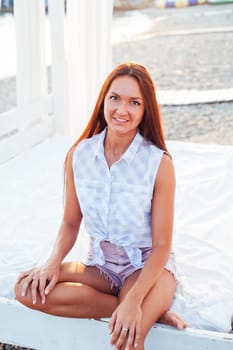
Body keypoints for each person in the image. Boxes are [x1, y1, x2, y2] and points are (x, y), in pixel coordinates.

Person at [15, 62, 187, 350]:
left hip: (146, 267)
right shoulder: (79, 155)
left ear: (145, 110)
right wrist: (53, 262)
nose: (122, 110)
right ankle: (147, 310)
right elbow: (71, 222)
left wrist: (134, 299)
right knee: (26, 288)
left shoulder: (159, 164)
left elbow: (161, 245)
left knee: (128, 339)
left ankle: (143, 305)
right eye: (115, 98)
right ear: (103, 100)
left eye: (135, 102)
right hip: (102, 266)